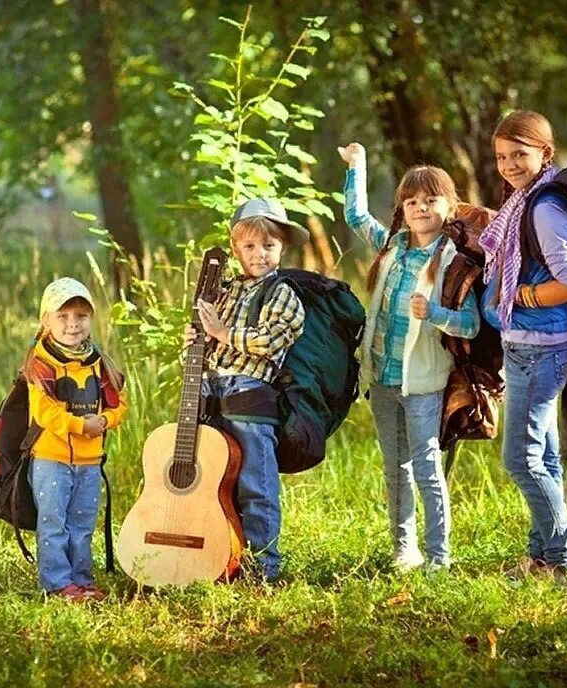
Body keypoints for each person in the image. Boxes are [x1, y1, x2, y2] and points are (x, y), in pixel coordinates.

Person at [338, 141, 480, 574]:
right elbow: (355, 217)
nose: (420, 208)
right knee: (394, 467)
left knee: (426, 468)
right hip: (382, 378)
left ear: (449, 205)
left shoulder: (455, 261)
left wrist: (435, 313)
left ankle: (438, 557)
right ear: (403, 207)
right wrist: (357, 167)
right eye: (411, 201)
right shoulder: (393, 246)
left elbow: (470, 325)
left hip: (423, 383)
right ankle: (405, 549)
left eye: (430, 200)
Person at [478, 110, 567, 586]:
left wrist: (520, 296)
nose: (509, 165)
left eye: (519, 154)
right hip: (528, 344)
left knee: (519, 458)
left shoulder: (544, 208)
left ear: (545, 152)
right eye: (502, 156)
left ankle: (566, 562)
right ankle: (541, 559)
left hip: (541, 346)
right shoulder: (525, 200)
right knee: (540, 454)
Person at [184, 198, 308, 582]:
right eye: (250, 246)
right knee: (217, 484)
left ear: (281, 246)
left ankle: (263, 569)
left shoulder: (282, 293)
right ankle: (222, 558)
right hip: (213, 396)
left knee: (256, 484)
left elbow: (269, 342)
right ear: (236, 248)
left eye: (268, 246)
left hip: (251, 400)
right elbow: (205, 344)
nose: (260, 254)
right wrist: (194, 341)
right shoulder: (225, 290)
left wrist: (222, 332)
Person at [23, 277, 129, 601]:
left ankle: (81, 580)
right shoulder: (41, 364)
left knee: (82, 523)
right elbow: (45, 413)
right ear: (46, 321)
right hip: (51, 459)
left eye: (81, 317)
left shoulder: (99, 363)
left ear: (91, 319)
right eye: (63, 317)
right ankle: (56, 584)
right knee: (54, 522)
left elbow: (119, 404)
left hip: (89, 462)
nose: (73, 325)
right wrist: (82, 426)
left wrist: (106, 421)